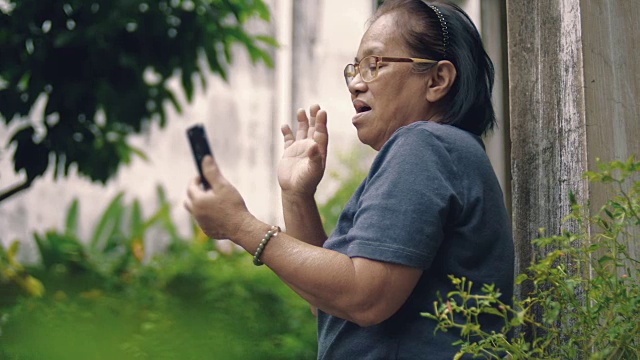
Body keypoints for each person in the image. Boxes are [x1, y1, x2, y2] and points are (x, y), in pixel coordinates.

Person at [185, 0, 514, 358]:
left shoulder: (424, 144)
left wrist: (238, 225)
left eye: (374, 65)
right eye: (354, 69)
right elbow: (331, 303)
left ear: (437, 80)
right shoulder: (447, 150)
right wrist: (297, 196)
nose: (356, 84)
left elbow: (366, 297)